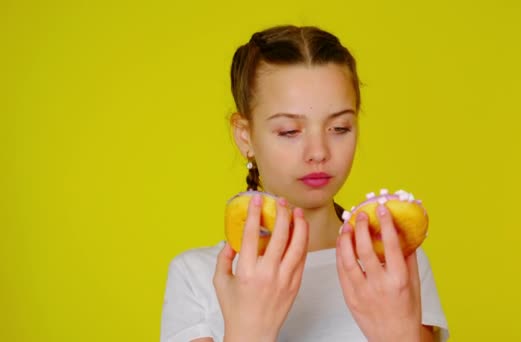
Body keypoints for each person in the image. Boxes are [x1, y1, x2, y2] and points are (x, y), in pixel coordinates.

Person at [161, 25, 449, 342]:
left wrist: (397, 334)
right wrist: (250, 329)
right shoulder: (199, 277)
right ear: (245, 136)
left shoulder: (393, 263)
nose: (318, 153)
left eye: (339, 128)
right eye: (289, 131)